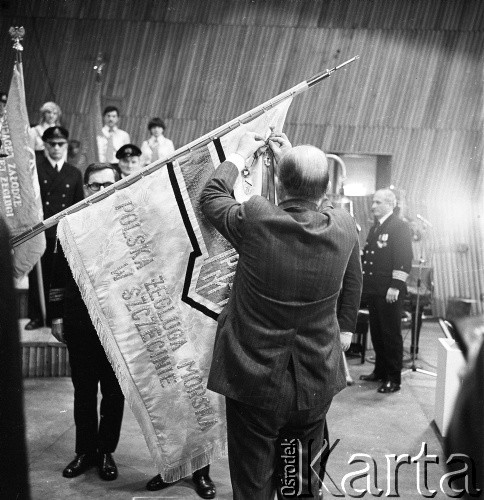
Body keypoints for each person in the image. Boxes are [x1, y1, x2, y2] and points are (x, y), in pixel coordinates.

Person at [199, 131, 362, 499]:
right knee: (298, 484)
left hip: (254, 378)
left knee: (254, 485)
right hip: (315, 378)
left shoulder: (257, 218)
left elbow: (211, 196)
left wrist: (239, 156)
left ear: (277, 181)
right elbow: (321, 202)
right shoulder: (343, 226)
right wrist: (294, 165)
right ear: (325, 188)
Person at [55, 163, 125, 481]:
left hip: (116, 324)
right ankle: (85, 451)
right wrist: (57, 316)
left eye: (108, 184)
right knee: (83, 391)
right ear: (85, 188)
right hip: (80, 322)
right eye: (95, 185)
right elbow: (57, 274)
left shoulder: (127, 224)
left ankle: (106, 451)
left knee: (113, 393)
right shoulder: (69, 224)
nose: (101, 191)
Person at [25, 126, 84, 330]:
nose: (57, 148)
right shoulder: (34, 171)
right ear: (45, 145)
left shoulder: (74, 173)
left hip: (61, 233)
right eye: (52, 144)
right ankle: (36, 316)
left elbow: (77, 205)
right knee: (37, 276)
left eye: (61, 144)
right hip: (40, 231)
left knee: (58, 277)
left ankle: (54, 317)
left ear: (66, 145)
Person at [359, 189, 413, 393]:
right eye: (373, 202)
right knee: (379, 334)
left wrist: (395, 286)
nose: (373, 206)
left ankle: (393, 378)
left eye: (378, 202)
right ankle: (380, 371)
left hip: (390, 291)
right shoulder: (377, 227)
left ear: (390, 204)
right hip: (375, 290)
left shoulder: (399, 226)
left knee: (391, 335)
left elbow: (404, 259)